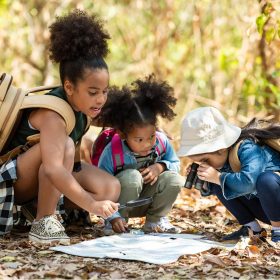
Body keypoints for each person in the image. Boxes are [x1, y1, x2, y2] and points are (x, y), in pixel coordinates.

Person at [0, 9, 121, 244]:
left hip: (42, 176)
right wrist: (92, 204)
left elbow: (121, 120)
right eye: (93, 92)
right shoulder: (53, 114)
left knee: (109, 187)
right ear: (68, 87)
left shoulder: (83, 107)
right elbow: (54, 169)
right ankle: (43, 221)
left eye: (105, 92)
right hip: (10, 182)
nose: (101, 99)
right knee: (64, 146)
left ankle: (40, 208)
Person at [177, 106, 280, 242]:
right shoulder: (221, 159)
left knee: (265, 180)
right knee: (219, 183)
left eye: (205, 160)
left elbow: (249, 182)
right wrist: (204, 180)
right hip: (266, 210)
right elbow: (215, 189)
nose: (205, 165)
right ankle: (252, 229)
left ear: (221, 148)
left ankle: (277, 231)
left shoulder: (249, 148)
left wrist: (218, 177)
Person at [97, 75, 185, 234]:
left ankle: (155, 221)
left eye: (151, 136)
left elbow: (176, 164)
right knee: (132, 177)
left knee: (175, 179)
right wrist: (113, 216)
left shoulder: (161, 142)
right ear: (123, 134)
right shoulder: (112, 152)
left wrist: (160, 166)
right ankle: (117, 223)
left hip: (148, 201)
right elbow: (101, 186)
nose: (147, 143)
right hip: (119, 206)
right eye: (139, 139)